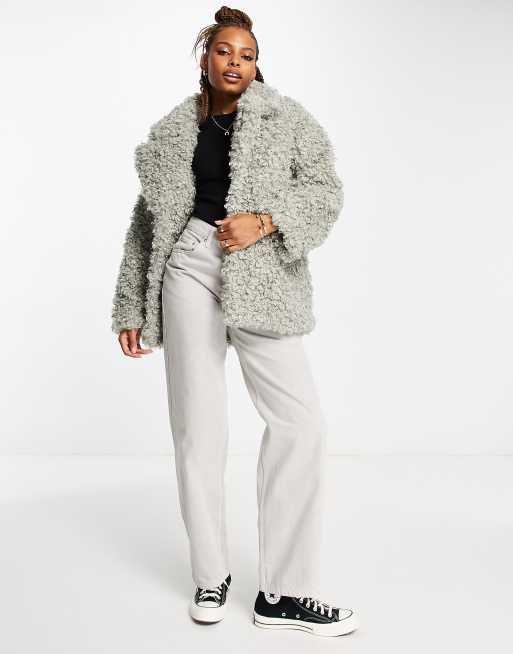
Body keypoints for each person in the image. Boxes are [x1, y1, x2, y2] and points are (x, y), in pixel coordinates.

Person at [111, 5, 359, 638]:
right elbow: (146, 221)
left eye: (247, 55)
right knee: (197, 426)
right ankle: (210, 575)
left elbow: (325, 190)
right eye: (225, 51)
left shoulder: (287, 119)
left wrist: (266, 221)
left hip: (261, 270)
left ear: (257, 65)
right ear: (206, 58)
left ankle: (285, 593)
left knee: (300, 422)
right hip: (189, 264)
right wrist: (133, 305)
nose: (235, 62)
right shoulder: (172, 133)